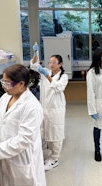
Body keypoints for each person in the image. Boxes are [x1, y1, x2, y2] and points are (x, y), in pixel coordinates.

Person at [30, 43, 69, 171]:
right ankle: (44, 156)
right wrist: (35, 54)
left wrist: (46, 75)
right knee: (43, 132)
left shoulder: (64, 76)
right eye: (49, 62)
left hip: (56, 109)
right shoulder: (45, 71)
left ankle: (54, 159)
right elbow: (33, 66)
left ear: (60, 64)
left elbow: (58, 87)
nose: (50, 64)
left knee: (56, 134)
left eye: (53, 62)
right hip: (44, 108)